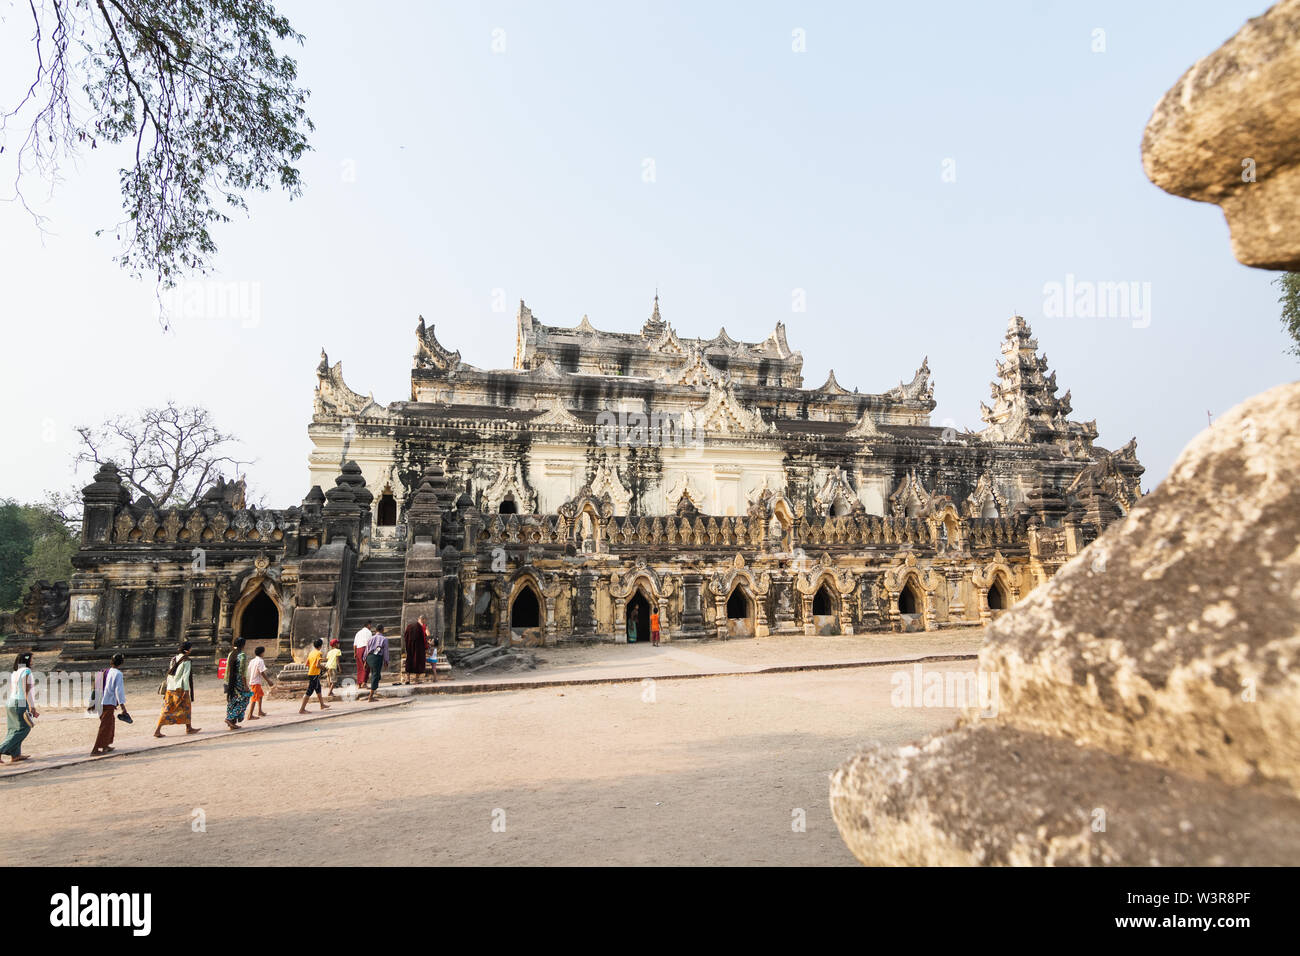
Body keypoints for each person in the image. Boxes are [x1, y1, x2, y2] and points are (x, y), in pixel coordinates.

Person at [154, 642, 201, 737]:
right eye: (191, 648)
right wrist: (186, 691)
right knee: (186, 707)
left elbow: (170, 673)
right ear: (187, 650)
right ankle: (188, 728)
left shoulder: (173, 659)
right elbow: (185, 677)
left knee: (167, 708)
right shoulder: (186, 661)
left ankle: (159, 729)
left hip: (170, 688)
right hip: (181, 688)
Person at [1, 652, 37, 763]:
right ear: (27, 660)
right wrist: (32, 706)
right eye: (31, 659)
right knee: (24, 728)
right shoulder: (26, 671)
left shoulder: (15, 672)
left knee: (13, 729)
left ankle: (15, 755)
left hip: (11, 702)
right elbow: (27, 690)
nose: (33, 661)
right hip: (20, 702)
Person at [92, 653, 128, 755]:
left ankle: (105, 745)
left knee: (110, 723)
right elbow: (118, 691)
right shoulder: (118, 674)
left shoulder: (103, 671)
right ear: (121, 663)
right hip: (107, 702)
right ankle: (95, 749)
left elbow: (95, 687)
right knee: (105, 726)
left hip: (99, 701)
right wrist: (123, 707)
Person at [223, 638, 252, 730]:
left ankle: (232, 721)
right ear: (243, 645)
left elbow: (228, 668)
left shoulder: (231, 654)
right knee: (245, 699)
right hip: (239, 681)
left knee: (233, 699)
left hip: (230, 680)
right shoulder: (242, 655)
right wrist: (245, 685)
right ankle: (230, 718)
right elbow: (242, 672)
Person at [299, 639, 330, 713]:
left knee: (318, 689)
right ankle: (302, 709)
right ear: (320, 646)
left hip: (311, 673)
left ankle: (322, 705)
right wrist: (324, 668)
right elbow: (318, 665)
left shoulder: (311, 653)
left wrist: (313, 666)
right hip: (315, 674)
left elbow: (307, 664)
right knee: (309, 691)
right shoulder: (319, 653)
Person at [364, 625, 389, 702]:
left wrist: (365, 660)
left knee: (375, 674)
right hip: (377, 657)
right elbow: (385, 651)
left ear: (375, 630)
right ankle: (370, 697)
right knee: (375, 675)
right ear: (382, 630)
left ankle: (373, 691)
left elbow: (367, 650)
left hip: (369, 657)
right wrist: (386, 661)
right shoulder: (384, 639)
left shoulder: (370, 638)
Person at [401, 615, 428, 685]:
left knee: (409, 661)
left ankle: (407, 679)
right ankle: (416, 679)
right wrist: (426, 647)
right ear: (423, 620)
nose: (425, 622)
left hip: (410, 648)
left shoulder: (409, 626)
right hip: (419, 649)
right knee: (418, 662)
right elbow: (423, 639)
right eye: (425, 621)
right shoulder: (420, 627)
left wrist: (408, 645)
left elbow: (405, 636)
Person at [247, 646, 273, 720]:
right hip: (256, 682)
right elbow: (262, 672)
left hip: (253, 680)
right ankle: (250, 715)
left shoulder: (252, 661)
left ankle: (260, 711)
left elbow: (249, 670)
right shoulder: (260, 661)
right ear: (262, 653)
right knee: (254, 698)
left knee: (260, 695)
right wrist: (268, 681)